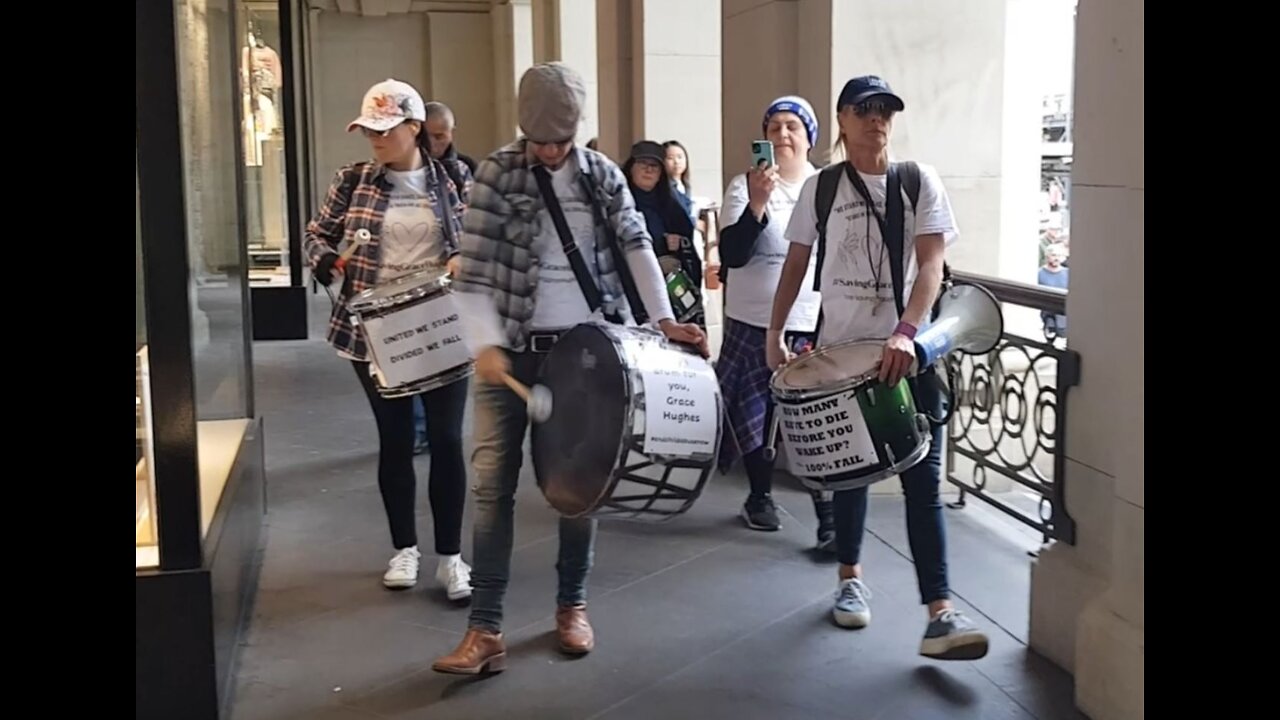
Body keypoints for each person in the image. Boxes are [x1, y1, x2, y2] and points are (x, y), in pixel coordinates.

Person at [432, 61, 707, 675]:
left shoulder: (601, 175)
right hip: (507, 349)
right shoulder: (498, 174)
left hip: (584, 354)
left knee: (581, 488)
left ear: (578, 129)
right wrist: (483, 342)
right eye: (540, 139)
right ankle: (485, 629)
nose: (550, 150)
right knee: (490, 489)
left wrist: (662, 320)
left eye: (560, 139)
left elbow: (636, 243)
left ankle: (572, 606)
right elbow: (472, 266)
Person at [766, 75, 990, 660]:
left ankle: (939, 611)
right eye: (864, 110)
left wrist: (907, 331)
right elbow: (794, 264)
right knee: (849, 474)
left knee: (923, 482)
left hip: (907, 356)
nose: (876, 120)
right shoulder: (822, 187)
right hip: (842, 355)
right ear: (841, 121)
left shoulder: (918, 181)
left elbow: (932, 266)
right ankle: (849, 579)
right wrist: (775, 330)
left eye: (885, 110)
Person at [304, 78, 473, 602]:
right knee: (395, 439)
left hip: (442, 324)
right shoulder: (353, 180)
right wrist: (328, 260)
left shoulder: (453, 179)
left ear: (414, 128)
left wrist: (467, 258)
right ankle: (405, 549)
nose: (374, 139)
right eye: (368, 129)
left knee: (446, 438)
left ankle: (451, 557)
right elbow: (315, 233)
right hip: (375, 332)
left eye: (385, 128)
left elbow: (485, 237)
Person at [715, 96, 833, 546]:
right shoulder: (744, 186)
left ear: (808, 137)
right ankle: (759, 495)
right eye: (774, 127)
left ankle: (827, 516)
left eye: (792, 127)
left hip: (807, 321)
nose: (782, 135)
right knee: (755, 416)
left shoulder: (825, 187)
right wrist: (757, 204)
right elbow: (733, 255)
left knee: (814, 419)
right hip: (750, 318)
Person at [412, 101, 478, 456]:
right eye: (432, 136)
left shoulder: (464, 169)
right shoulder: (412, 169)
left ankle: (433, 429)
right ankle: (419, 428)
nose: (438, 142)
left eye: (443, 135)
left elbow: (472, 220)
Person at [622, 140, 704, 328]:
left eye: (655, 167)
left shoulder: (672, 205)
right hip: (629, 292)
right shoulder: (619, 205)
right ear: (631, 168)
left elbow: (689, 248)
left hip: (669, 294)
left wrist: (678, 245)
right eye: (643, 164)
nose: (648, 170)